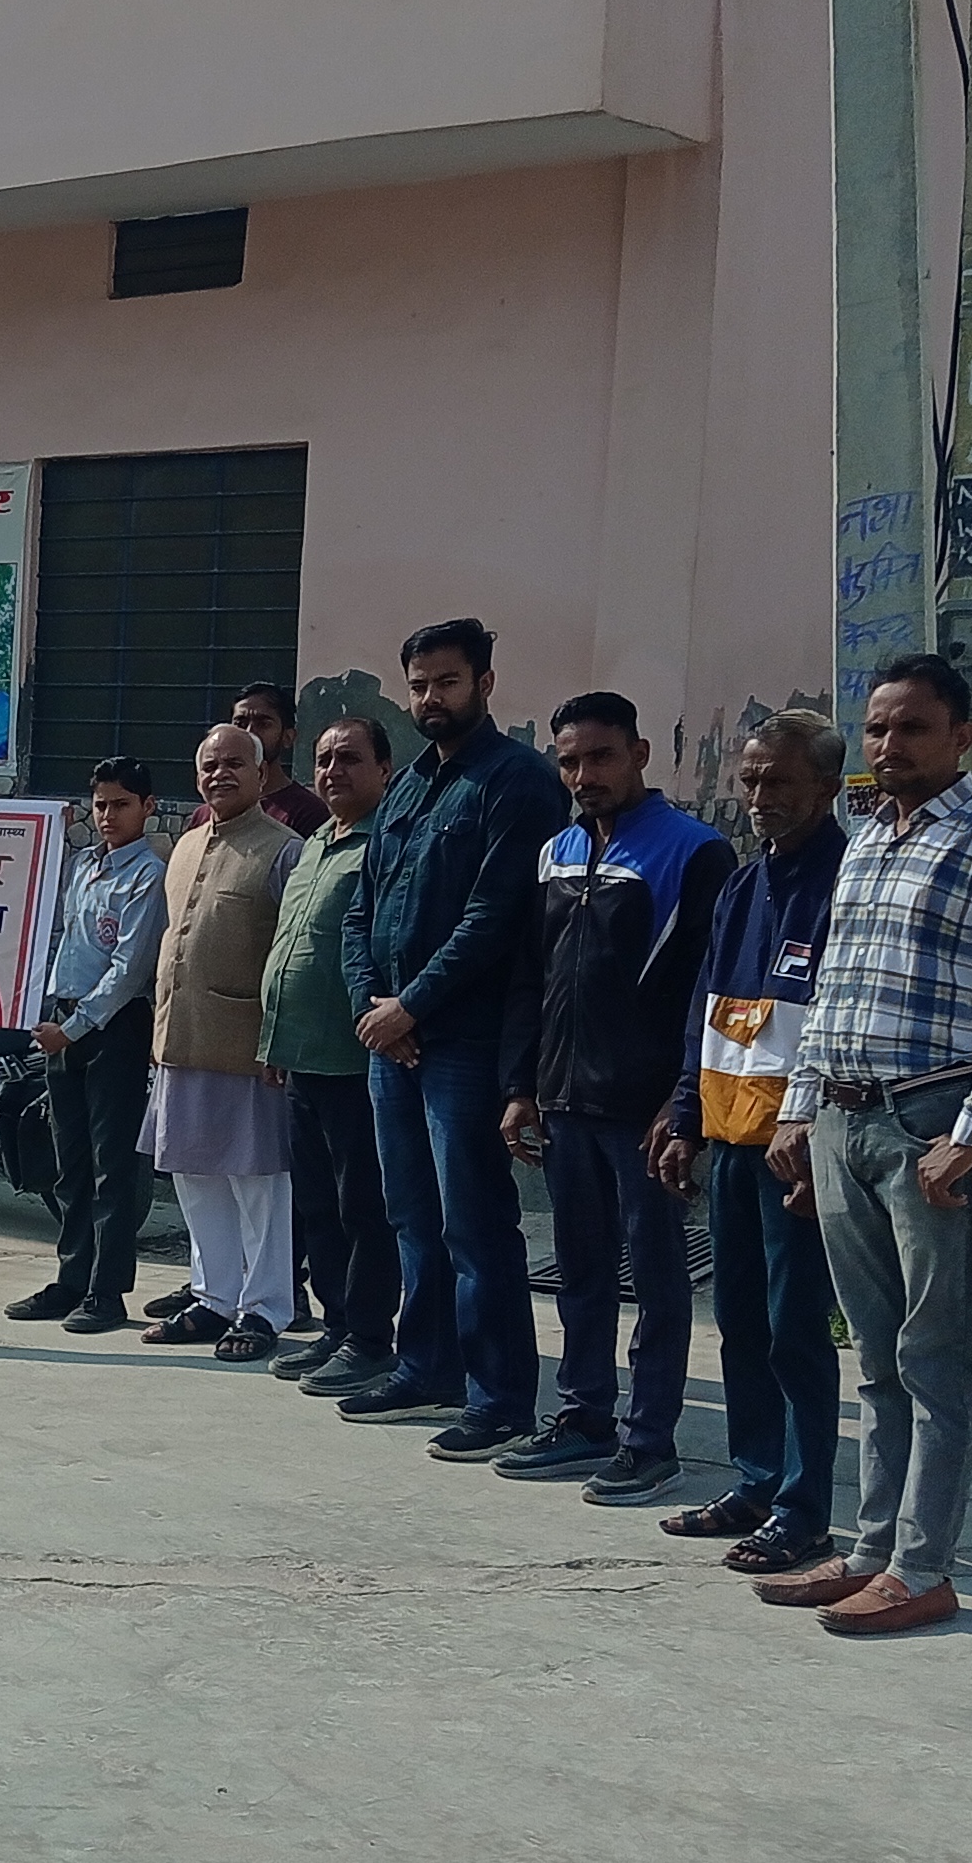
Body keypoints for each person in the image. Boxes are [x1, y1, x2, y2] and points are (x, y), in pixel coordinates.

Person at [767, 655, 972, 1638]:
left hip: (928, 1125)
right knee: (874, 1357)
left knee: (934, 1357)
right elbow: (832, 991)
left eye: (912, 728)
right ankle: (868, 1550)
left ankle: (922, 1567)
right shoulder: (865, 842)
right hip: (843, 1122)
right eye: (878, 728)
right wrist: (800, 1110)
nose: (889, 745)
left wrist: (970, 1137)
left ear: (961, 737)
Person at [490, 692, 734, 1503]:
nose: (583, 775)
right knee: (582, 1274)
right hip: (564, 1103)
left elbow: (709, 989)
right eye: (569, 762)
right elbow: (530, 978)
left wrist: (683, 1099)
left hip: (644, 1112)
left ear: (639, 755)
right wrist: (521, 1087)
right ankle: (583, 1416)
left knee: (657, 1280)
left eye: (600, 757)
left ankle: (649, 1440)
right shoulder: (555, 852)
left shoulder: (694, 852)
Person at [337, 618, 559, 1459]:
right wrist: (374, 1008)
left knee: (474, 1224)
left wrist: (413, 1009)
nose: (431, 698)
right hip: (391, 1041)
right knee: (411, 1215)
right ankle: (426, 1365)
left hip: (462, 1042)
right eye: (420, 685)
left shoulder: (518, 782)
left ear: (485, 684)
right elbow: (362, 908)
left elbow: (494, 919)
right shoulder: (408, 785)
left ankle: (499, 1398)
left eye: (448, 682)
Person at [652, 709, 849, 1576]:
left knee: (794, 1328)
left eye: (780, 781)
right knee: (738, 1322)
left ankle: (805, 1508)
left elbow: (838, 1026)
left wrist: (818, 1138)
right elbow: (708, 1008)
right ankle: (757, 1480)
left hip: (794, 1152)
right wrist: (685, 1115)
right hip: (731, 1139)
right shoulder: (742, 885)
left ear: (826, 787)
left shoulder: (844, 884)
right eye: (752, 778)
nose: (761, 795)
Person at [138, 728, 303, 1359]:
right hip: (179, 1041)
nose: (220, 775)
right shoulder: (184, 846)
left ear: (261, 775)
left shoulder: (283, 850)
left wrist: (280, 1040)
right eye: (210, 765)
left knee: (258, 1185)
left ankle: (265, 1309)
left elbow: (292, 956)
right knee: (194, 1176)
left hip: (248, 1049)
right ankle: (214, 1298)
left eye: (235, 763)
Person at [263, 714, 400, 1395]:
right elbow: (292, 941)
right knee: (316, 1206)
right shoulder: (316, 842)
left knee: (361, 1208)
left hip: (354, 1060)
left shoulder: (389, 844)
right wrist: (275, 1039)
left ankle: (371, 1337)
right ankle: (337, 1326)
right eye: (323, 759)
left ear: (384, 770)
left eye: (349, 758)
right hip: (301, 1055)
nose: (332, 771)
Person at [7, 756, 165, 1335]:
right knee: (69, 1162)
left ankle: (107, 1290)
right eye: (101, 804)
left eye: (121, 804)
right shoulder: (82, 866)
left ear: (147, 807)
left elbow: (128, 970)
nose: (108, 815)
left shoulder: (147, 875)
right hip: (65, 1018)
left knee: (111, 1166)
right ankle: (71, 1277)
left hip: (113, 1028)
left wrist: (72, 1029)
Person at [230, 681, 331, 836]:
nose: (249, 733)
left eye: (263, 724)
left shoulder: (308, 812)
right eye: (240, 724)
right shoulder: (211, 810)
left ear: (288, 737)